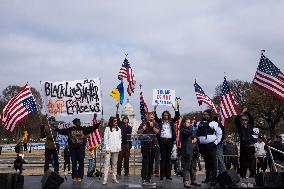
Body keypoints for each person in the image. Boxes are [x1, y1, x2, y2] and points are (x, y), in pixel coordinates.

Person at [56, 117, 101, 183]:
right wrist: (56, 129)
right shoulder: (70, 129)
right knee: (74, 163)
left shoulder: (83, 129)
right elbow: (62, 131)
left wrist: (97, 125)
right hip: (73, 149)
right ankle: (74, 176)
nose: (79, 122)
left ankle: (80, 176)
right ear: (75, 123)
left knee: (81, 163)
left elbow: (91, 128)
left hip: (81, 149)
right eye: (78, 122)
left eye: (79, 121)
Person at [194, 109, 222, 185]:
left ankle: (214, 178)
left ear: (209, 115)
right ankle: (207, 177)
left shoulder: (214, 123)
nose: (203, 115)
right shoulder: (199, 123)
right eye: (203, 114)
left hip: (211, 145)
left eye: (205, 114)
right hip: (202, 145)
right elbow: (194, 131)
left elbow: (219, 134)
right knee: (207, 162)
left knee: (213, 161)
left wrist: (215, 143)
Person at [154, 104, 180, 180]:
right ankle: (162, 175)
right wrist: (155, 109)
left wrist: (175, 109)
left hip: (170, 141)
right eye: (164, 115)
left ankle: (168, 175)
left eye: (167, 115)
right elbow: (155, 117)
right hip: (162, 140)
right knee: (163, 158)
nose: (166, 116)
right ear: (163, 116)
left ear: (168, 115)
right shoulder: (160, 121)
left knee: (168, 158)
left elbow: (177, 117)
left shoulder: (171, 121)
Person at [137, 111, 160, 185]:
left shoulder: (155, 123)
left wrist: (152, 126)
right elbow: (138, 132)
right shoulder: (143, 123)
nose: (151, 118)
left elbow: (157, 132)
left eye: (152, 117)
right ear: (147, 117)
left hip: (153, 146)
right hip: (145, 146)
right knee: (145, 162)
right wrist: (143, 129)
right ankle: (143, 178)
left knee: (151, 162)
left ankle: (149, 178)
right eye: (150, 117)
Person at [235, 107, 257, 178]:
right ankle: (243, 175)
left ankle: (252, 174)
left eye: (245, 120)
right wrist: (241, 113)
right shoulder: (240, 127)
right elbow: (236, 120)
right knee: (243, 163)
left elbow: (251, 118)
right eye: (243, 120)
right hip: (243, 147)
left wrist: (246, 112)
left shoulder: (250, 126)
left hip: (251, 147)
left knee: (252, 163)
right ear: (241, 120)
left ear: (247, 120)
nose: (244, 121)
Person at [180, 117, 201, 188]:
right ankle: (186, 181)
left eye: (189, 122)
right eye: (187, 122)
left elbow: (196, 138)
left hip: (194, 151)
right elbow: (190, 133)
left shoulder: (190, 129)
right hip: (187, 151)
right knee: (186, 167)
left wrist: (195, 139)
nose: (189, 124)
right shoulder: (183, 130)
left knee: (193, 167)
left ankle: (193, 180)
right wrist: (192, 125)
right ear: (183, 123)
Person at [102, 116, 121, 185]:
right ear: (111, 121)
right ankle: (105, 179)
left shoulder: (118, 129)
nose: (116, 122)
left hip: (116, 149)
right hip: (108, 149)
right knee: (107, 164)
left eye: (116, 121)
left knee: (114, 164)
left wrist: (119, 147)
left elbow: (119, 139)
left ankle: (114, 177)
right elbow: (105, 139)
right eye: (114, 121)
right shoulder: (107, 129)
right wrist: (106, 148)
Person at [116, 103, 132, 177]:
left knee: (127, 160)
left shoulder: (130, 127)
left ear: (128, 120)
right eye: (124, 119)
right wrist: (117, 109)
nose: (125, 120)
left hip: (127, 144)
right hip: (121, 144)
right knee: (119, 160)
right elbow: (117, 118)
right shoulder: (120, 125)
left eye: (127, 119)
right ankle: (118, 172)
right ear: (123, 120)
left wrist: (130, 145)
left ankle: (127, 172)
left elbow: (130, 136)